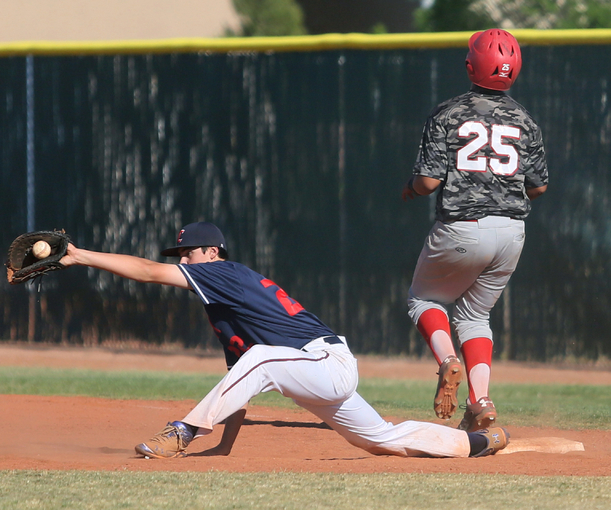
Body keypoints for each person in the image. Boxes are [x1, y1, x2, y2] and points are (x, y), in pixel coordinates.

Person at [59, 221, 509, 459]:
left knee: (261, 358)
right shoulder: (222, 307)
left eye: (187, 253)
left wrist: (80, 256)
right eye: (180, 256)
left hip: (325, 361)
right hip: (311, 371)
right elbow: (240, 376)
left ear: (212, 253)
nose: (183, 260)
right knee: (379, 440)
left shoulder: (223, 274)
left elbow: (147, 272)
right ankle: (478, 443)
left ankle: (182, 432)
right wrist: (227, 445)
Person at [401, 29, 548, 432]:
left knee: (423, 299)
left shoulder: (447, 113)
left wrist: (411, 188)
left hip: (461, 229)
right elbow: (538, 187)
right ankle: (479, 401)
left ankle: (447, 361)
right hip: (512, 233)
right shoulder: (525, 120)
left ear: (470, 65)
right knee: (476, 315)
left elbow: (429, 181)